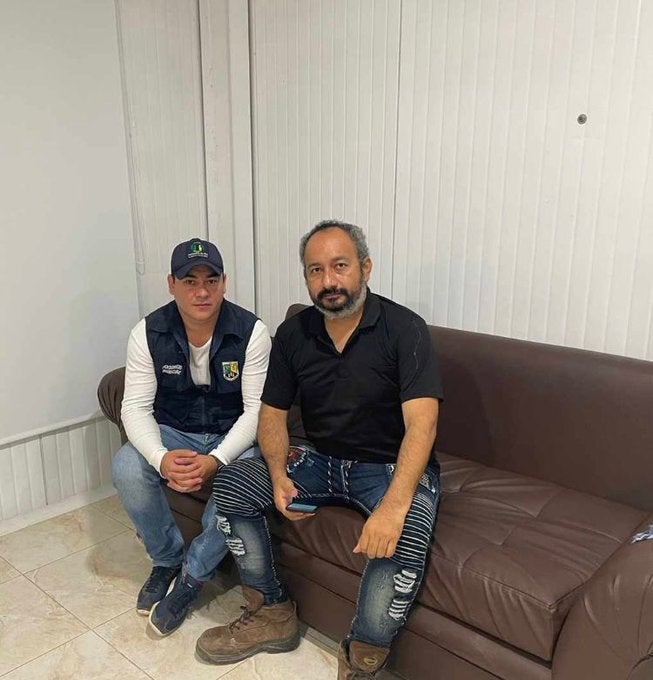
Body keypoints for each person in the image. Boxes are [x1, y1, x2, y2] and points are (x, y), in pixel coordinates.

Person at [196, 221, 443, 678]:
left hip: (388, 467)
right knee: (231, 484)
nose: (328, 281)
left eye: (340, 266)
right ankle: (272, 613)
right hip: (320, 460)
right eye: (316, 270)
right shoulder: (294, 333)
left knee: (405, 533)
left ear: (365, 268)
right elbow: (272, 414)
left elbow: (422, 425)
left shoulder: (405, 329)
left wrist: (394, 506)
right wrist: (277, 474)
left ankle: (363, 657)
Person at [112, 237, 271, 636]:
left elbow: (256, 411)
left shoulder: (251, 332)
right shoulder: (147, 332)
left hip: (232, 434)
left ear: (224, 283)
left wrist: (217, 460)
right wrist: (160, 457)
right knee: (127, 466)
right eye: (190, 281)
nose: (202, 292)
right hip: (174, 431)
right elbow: (134, 407)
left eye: (211, 280)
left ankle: (192, 575)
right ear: (171, 284)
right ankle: (166, 559)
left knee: (243, 482)